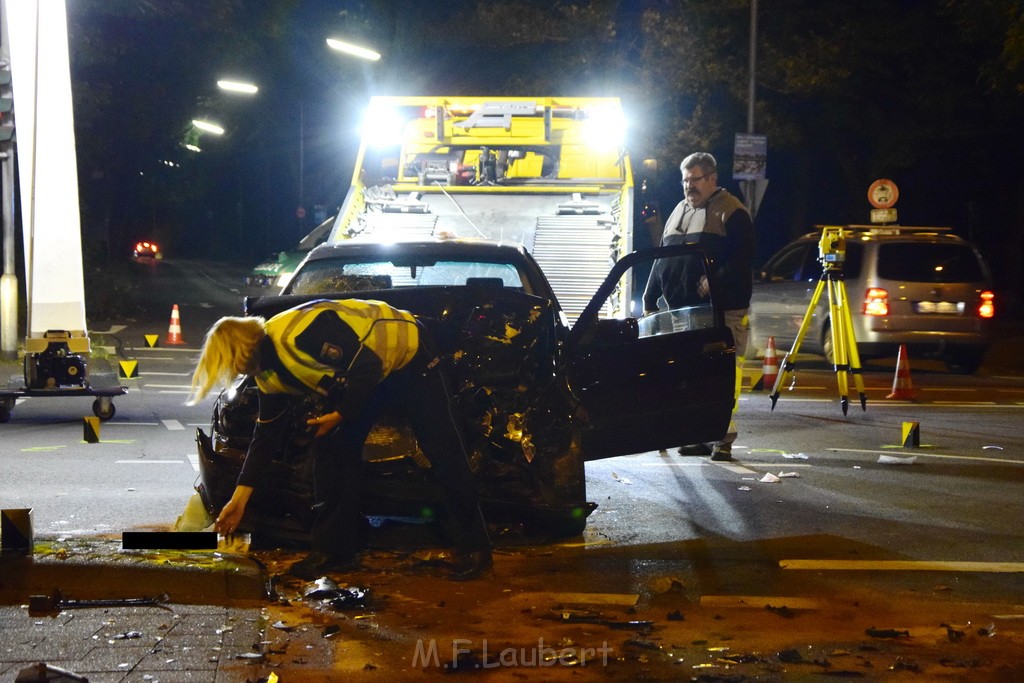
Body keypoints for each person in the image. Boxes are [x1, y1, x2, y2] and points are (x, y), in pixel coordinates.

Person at [187, 299, 493, 581]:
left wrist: (339, 415)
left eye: (232, 363)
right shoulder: (267, 375)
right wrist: (239, 501)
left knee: (443, 449)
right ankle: (334, 551)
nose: (235, 371)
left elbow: (368, 365)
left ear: (243, 350)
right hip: (366, 376)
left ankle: (476, 548)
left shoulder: (302, 334)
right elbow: (264, 438)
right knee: (332, 452)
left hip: (410, 355)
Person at [642, 152, 755, 461]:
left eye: (695, 179)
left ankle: (722, 439)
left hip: (722, 311)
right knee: (693, 376)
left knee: (723, 375)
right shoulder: (679, 211)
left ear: (712, 178)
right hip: (683, 311)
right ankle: (699, 435)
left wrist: (714, 282)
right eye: (685, 180)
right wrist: (649, 296)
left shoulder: (731, 211)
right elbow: (663, 257)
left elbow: (742, 258)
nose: (689, 186)